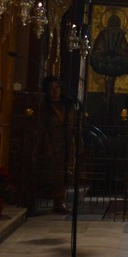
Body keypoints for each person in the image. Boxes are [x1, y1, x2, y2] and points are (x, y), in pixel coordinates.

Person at [37, 76, 76, 214]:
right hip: (51, 142)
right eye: (51, 89)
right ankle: (43, 199)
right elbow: (41, 126)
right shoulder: (44, 106)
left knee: (65, 172)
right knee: (50, 173)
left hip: (65, 142)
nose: (55, 91)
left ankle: (59, 202)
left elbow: (73, 124)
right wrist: (46, 143)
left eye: (57, 88)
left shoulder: (67, 104)